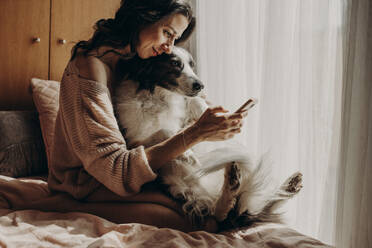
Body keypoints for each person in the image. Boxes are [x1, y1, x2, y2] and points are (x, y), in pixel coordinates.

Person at [47, 0, 247, 232]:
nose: (168, 47)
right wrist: (196, 133)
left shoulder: (133, 61)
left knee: (199, 205)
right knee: (189, 221)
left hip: (129, 179)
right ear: (143, 17)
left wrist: (212, 122)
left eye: (175, 39)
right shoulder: (88, 70)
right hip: (84, 185)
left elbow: (175, 97)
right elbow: (116, 171)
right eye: (167, 33)